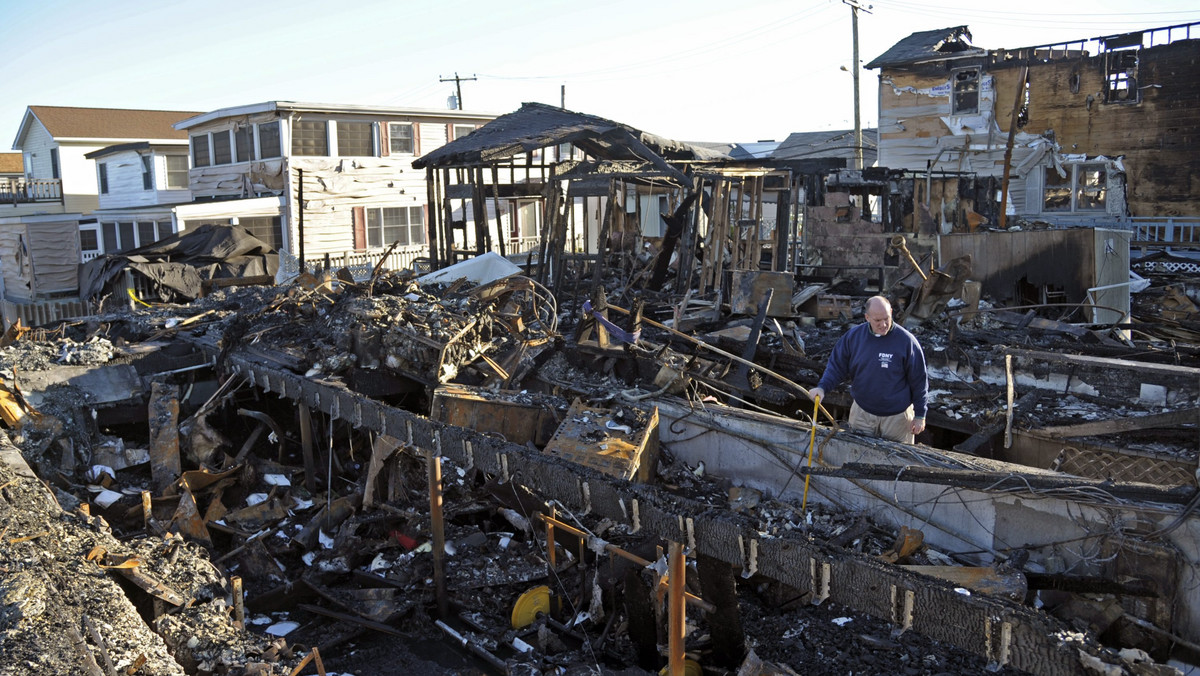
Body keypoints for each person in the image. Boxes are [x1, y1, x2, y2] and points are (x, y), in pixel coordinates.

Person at [809, 296, 928, 444]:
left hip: (896, 419)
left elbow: (919, 381)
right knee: (857, 459)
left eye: (887, 318)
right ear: (867, 317)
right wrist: (822, 388)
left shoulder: (907, 342)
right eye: (878, 320)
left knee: (897, 463)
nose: (883, 324)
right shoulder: (853, 338)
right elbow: (836, 367)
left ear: (891, 312)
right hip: (862, 415)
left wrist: (920, 415)